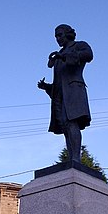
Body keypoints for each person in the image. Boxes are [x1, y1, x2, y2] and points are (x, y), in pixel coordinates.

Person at [38, 24, 93, 162]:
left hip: (74, 92)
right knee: (66, 127)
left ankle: (76, 159)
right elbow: (59, 84)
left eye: (60, 35)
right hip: (61, 96)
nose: (57, 39)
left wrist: (64, 56)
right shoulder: (58, 57)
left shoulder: (79, 45)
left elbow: (88, 55)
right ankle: (72, 159)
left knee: (72, 122)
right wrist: (46, 87)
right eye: (56, 36)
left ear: (68, 34)